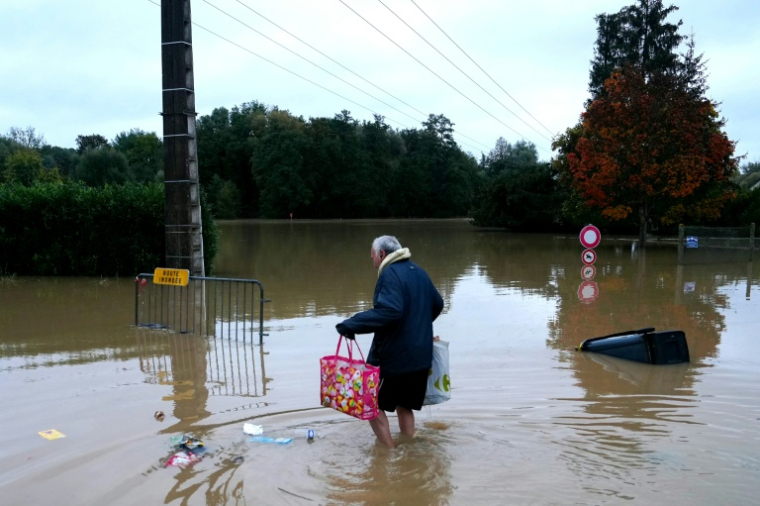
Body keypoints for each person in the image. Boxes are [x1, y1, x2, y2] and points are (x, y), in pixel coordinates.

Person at [336, 235, 444, 448]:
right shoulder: (419, 272)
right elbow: (437, 303)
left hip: (397, 358)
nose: (373, 262)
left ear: (382, 254)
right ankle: (410, 445)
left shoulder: (390, 274)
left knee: (369, 403)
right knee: (404, 404)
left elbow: (390, 311)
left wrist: (352, 324)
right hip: (421, 356)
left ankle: (388, 451)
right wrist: (417, 328)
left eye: (373, 257)